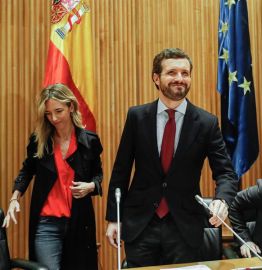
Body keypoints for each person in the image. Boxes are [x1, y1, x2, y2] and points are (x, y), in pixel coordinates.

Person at [105, 48, 238, 267]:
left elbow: (225, 172)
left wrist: (222, 200)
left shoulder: (206, 123)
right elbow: (121, 170)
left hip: (184, 227)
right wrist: (114, 217)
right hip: (141, 224)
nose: (179, 78)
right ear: (156, 78)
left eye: (185, 73)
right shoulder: (137, 117)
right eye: (172, 72)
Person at [2, 84, 103, 270]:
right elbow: (27, 171)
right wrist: (14, 198)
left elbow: (98, 175)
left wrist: (91, 186)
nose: (54, 118)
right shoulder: (39, 140)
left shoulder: (89, 141)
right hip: (46, 224)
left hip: (79, 221)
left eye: (58, 111)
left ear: (71, 107)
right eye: (48, 114)